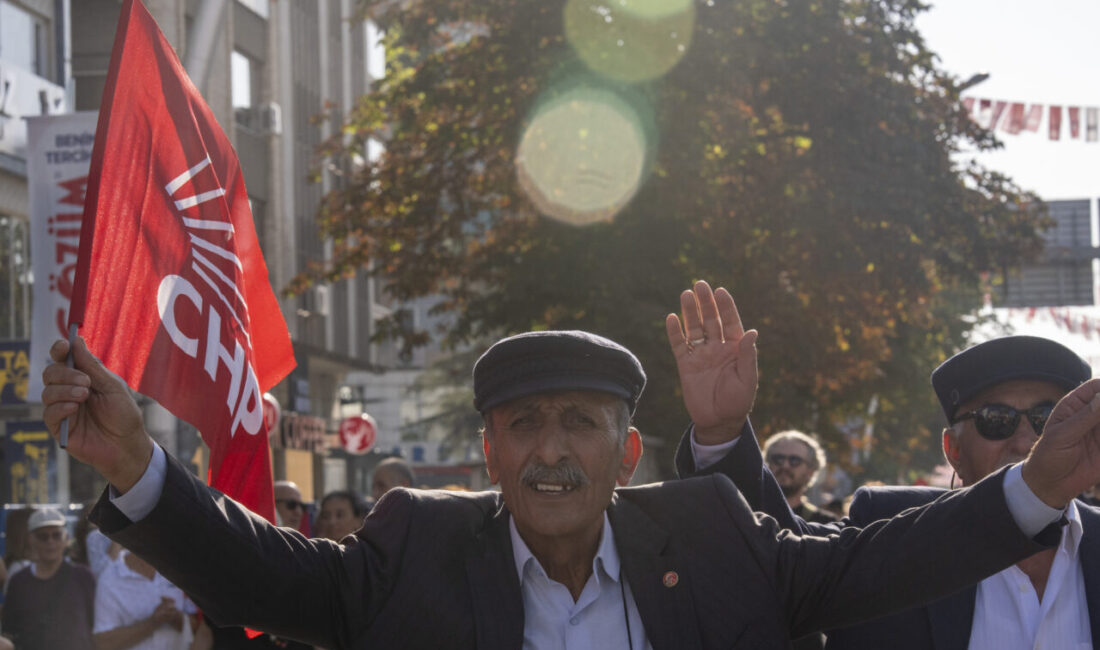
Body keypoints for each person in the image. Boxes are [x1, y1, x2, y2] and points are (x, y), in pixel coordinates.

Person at [39, 282, 1100, 649]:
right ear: (489, 449)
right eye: (526, 423)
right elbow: (267, 575)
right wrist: (143, 468)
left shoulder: (715, 536)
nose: (552, 448)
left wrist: (1033, 483)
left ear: (627, 451)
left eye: (581, 423)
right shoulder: (415, 544)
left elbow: (883, 561)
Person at [673, 283, 1099, 649]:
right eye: (997, 421)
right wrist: (724, 433)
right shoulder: (888, 522)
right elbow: (774, 571)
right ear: (952, 450)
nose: (1026, 442)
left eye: (1047, 420)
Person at [1, 507, 95, 650]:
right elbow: (9, 631)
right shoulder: (18, 582)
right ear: (31, 540)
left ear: (66, 538)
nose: (50, 542)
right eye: (43, 536)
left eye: (56, 535)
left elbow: (97, 626)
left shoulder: (83, 577)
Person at [93, 549, 196, 650]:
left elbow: (202, 630)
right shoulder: (110, 579)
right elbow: (103, 644)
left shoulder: (180, 570)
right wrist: (152, 623)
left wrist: (176, 617)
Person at [762, 430, 838, 524]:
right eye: (778, 459)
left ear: (810, 471)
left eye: (794, 460)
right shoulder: (748, 515)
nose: (785, 466)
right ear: (767, 464)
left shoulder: (825, 523)